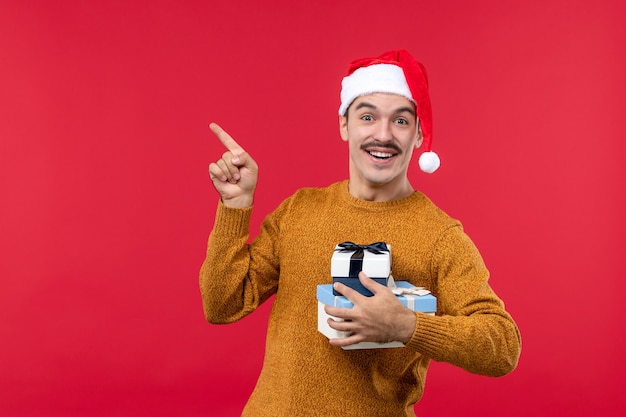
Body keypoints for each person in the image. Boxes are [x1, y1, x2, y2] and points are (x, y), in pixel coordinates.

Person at [200, 49, 521, 416]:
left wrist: (407, 325)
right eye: (367, 116)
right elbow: (222, 304)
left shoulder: (440, 236)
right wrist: (235, 206)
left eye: (401, 121)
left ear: (418, 135)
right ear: (344, 125)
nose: (382, 135)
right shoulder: (300, 210)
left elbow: (502, 346)